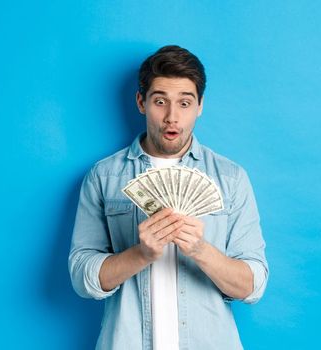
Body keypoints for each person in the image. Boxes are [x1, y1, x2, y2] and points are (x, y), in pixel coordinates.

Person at [68, 45, 269, 350]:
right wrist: (141, 254)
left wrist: (200, 249)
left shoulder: (231, 178)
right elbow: (82, 277)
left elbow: (252, 286)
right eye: (160, 101)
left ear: (200, 106)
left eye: (185, 103)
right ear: (141, 102)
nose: (172, 117)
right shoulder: (103, 176)